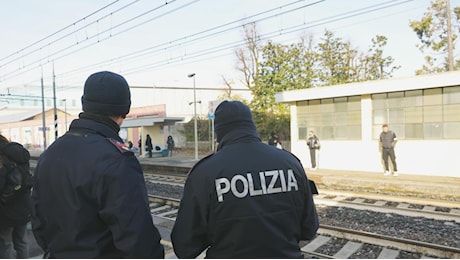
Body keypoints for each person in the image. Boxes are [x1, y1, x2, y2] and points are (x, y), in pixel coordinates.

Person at [31, 71, 164, 258]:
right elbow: (137, 238)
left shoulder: (51, 153)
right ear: (124, 109)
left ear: (85, 104)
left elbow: (37, 219)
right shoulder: (116, 159)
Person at [171, 100, 319, 258]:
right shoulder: (290, 163)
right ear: (251, 125)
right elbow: (309, 228)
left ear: (219, 131)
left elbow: (184, 246)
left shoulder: (206, 172)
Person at [0, 135, 31, 259]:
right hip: (23, 205)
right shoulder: (20, 154)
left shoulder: (2, 158)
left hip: (6, 207)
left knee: (5, 243)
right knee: (21, 242)